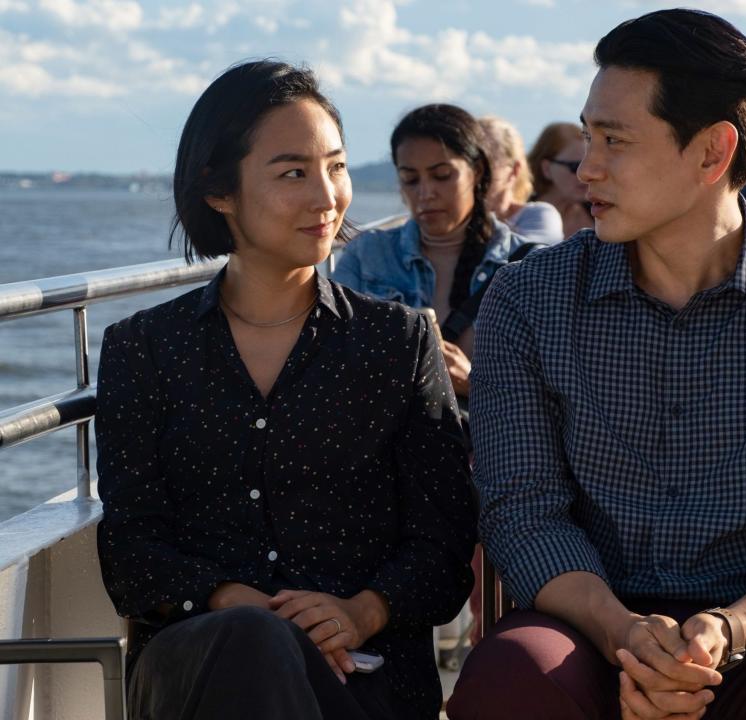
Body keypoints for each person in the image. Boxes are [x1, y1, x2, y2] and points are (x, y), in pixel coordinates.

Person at [449, 9, 746, 720]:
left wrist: (728, 629)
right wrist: (625, 634)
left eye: (614, 140)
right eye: (586, 135)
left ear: (711, 153)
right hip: (584, 630)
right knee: (512, 675)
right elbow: (523, 511)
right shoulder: (529, 298)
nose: (586, 168)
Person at [96, 60, 476, 720]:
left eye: (336, 166)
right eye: (293, 172)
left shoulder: (397, 343)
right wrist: (232, 602)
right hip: (200, 666)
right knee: (251, 641)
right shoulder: (145, 348)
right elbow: (131, 552)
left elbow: (444, 547)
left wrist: (360, 612)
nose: (327, 196)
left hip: (363, 672)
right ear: (218, 189)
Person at [332, 103, 531, 401]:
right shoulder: (365, 256)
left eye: (442, 175)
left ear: (476, 172)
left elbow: (549, 394)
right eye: (411, 179)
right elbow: (333, 364)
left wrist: (473, 383)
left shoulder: (526, 265)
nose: (425, 193)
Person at [479, 115, 564, 245]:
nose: (475, 171)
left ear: (514, 170)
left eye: (486, 162)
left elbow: (528, 256)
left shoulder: (538, 215)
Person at [528, 121, 594, 239]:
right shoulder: (518, 217)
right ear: (546, 169)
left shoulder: (599, 214)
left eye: (591, 166)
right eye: (574, 166)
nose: (585, 175)